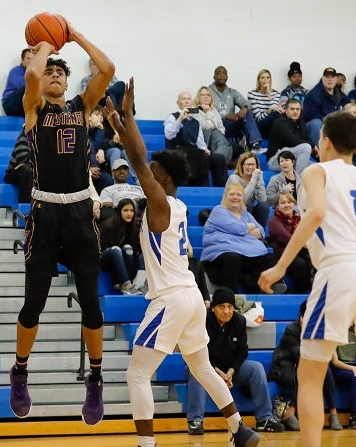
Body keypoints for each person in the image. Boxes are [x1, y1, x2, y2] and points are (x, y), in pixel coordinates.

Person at [105, 78, 260, 447]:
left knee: (137, 374)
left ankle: (147, 445)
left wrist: (126, 116)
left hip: (172, 297)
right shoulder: (178, 206)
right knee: (201, 365)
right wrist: (123, 125)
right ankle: (240, 428)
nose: (147, 176)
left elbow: (141, 161)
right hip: (191, 296)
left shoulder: (159, 204)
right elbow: (144, 163)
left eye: (154, 175)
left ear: (165, 180)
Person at [259, 111, 356, 447]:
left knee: (309, 375)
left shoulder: (315, 170)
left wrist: (281, 266)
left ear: (324, 141)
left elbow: (317, 213)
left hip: (340, 270)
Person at [8, 18, 115, 426]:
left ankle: (97, 377)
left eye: (60, 72)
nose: (53, 75)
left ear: (67, 83)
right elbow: (33, 72)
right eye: (50, 71)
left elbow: (108, 69)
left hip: (79, 211)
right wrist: (44, 44)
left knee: (90, 299)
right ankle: (20, 371)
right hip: (45, 211)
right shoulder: (33, 109)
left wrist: (74, 35)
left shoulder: (82, 107)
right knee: (34, 300)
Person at [186, 288, 285, 434]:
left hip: (230, 370)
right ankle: (195, 420)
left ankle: (264, 419)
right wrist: (219, 374)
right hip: (205, 367)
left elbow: (242, 351)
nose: (226, 311)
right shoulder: (202, 321)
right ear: (213, 308)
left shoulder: (239, 321)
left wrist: (230, 373)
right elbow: (199, 353)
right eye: (221, 307)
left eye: (230, 307)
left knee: (256, 368)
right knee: (195, 371)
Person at [268, 301, 342, 431]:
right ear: (301, 317)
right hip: (285, 368)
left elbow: (324, 355)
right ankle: (289, 410)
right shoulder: (291, 330)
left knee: (325, 369)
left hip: (305, 365)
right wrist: (306, 334)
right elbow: (301, 355)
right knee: (308, 368)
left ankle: (333, 413)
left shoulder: (319, 330)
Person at [201, 183, 284, 294]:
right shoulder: (219, 211)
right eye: (232, 194)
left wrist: (240, 231)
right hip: (220, 254)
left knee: (270, 258)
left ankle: (265, 288)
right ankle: (232, 296)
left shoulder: (245, 214)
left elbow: (261, 232)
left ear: (242, 198)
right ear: (226, 196)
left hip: (245, 253)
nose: (235, 197)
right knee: (232, 258)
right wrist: (248, 227)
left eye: (239, 195)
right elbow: (238, 229)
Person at [164, 91, 228, 187]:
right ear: (178, 102)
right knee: (197, 155)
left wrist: (204, 149)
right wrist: (180, 119)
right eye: (183, 99)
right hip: (177, 152)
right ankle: (200, 186)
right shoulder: (172, 117)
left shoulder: (196, 122)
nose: (186, 101)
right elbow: (169, 135)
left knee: (218, 158)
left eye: (189, 99)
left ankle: (222, 189)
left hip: (195, 153)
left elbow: (200, 142)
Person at [267, 192, 312, 294]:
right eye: (283, 203)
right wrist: (307, 244)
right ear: (278, 206)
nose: (287, 205)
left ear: (294, 204)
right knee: (301, 264)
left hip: (301, 251)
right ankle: (301, 294)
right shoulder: (274, 221)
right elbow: (287, 238)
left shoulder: (300, 219)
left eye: (289, 202)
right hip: (283, 254)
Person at [209, 66, 262, 149]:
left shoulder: (232, 92)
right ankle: (240, 140)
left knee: (247, 112)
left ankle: (255, 143)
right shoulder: (208, 92)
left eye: (224, 73)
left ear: (227, 77)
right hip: (217, 126)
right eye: (219, 73)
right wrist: (225, 116)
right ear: (214, 77)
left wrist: (244, 108)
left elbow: (247, 103)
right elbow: (205, 111)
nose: (222, 75)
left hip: (232, 124)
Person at [99, 198, 145, 294]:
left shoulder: (133, 228)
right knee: (116, 250)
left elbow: (135, 254)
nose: (129, 214)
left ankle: (126, 284)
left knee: (129, 249)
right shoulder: (109, 226)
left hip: (119, 258)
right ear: (119, 211)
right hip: (102, 257)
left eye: (131, 211)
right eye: (125, 210)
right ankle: (126, 284)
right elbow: (103, 248)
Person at [302, 67, 349, 148]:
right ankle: (319, 154)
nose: (330, 79)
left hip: (332, 123)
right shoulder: (314, 93)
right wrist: (331, 121)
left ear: (336, 79)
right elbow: (310, 115)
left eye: (332, 77)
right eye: (327, 77)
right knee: (316, 123)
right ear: (323, 79)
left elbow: (348, 104)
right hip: (314, 125)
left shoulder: (338, 92)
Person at [267, 99, 316, 174]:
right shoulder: (280, 122)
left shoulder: (300, 122)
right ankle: (298, 181)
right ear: (286, 110)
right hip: (277, 159)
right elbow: (292, 141)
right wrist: (312, 145)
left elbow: (307, 137)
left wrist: (315, 147)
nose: (295, 111)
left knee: (316, 167)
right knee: (306, 147)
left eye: (297, 109)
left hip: (293, 158)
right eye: (292, 109)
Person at [225, 152, 269, 228]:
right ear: (242, 165)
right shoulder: (234, 178)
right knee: (247, 204)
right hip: (233, 211)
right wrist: (253, 180)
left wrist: (260, 180)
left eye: (253, 165)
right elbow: (242, 199)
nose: (251, 167)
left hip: (248, 211)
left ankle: (260, 235)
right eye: (248, 164)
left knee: (264, 206)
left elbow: (263, 200)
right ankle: (247, 234)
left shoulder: (255, 178)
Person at [193, 86, 234, 164]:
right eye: (203, 95)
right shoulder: (194, 110)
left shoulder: (214, 110)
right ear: (198, 97)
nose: (206, 97)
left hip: (215, 139)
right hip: (202, 140)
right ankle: (217, 161)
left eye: (208, 95)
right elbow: (205, 127)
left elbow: (222, 128)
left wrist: (216, 131)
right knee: (216, 134)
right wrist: (208, 113)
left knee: (237, 148)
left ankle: (217, 160)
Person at [247, 69, 283, 138]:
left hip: (272, 125)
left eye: (267, 77)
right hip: (259, 125)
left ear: (270, 80)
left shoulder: (276, 94)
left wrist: (269, 93)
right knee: (277, 114)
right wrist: (269, 111)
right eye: (262, 78)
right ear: (259, 81)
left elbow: (274, 108)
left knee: (281, 113)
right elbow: (258, 118)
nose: (265, 80)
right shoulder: (252, 94)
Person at [1, 48, 34, 117]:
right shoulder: (15, 71)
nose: (31, 61)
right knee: (30, 87)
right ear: (22, 60)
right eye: (28, 58)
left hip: (25, 107)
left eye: (33, 59)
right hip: (10, 105)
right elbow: (23, 86)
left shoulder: (37, 73)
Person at [3, 129, 32, 203]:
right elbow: (23, 159)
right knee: (28, 170)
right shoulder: (27, 131)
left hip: (37, 168)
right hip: (15, 171)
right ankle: (25, 208)